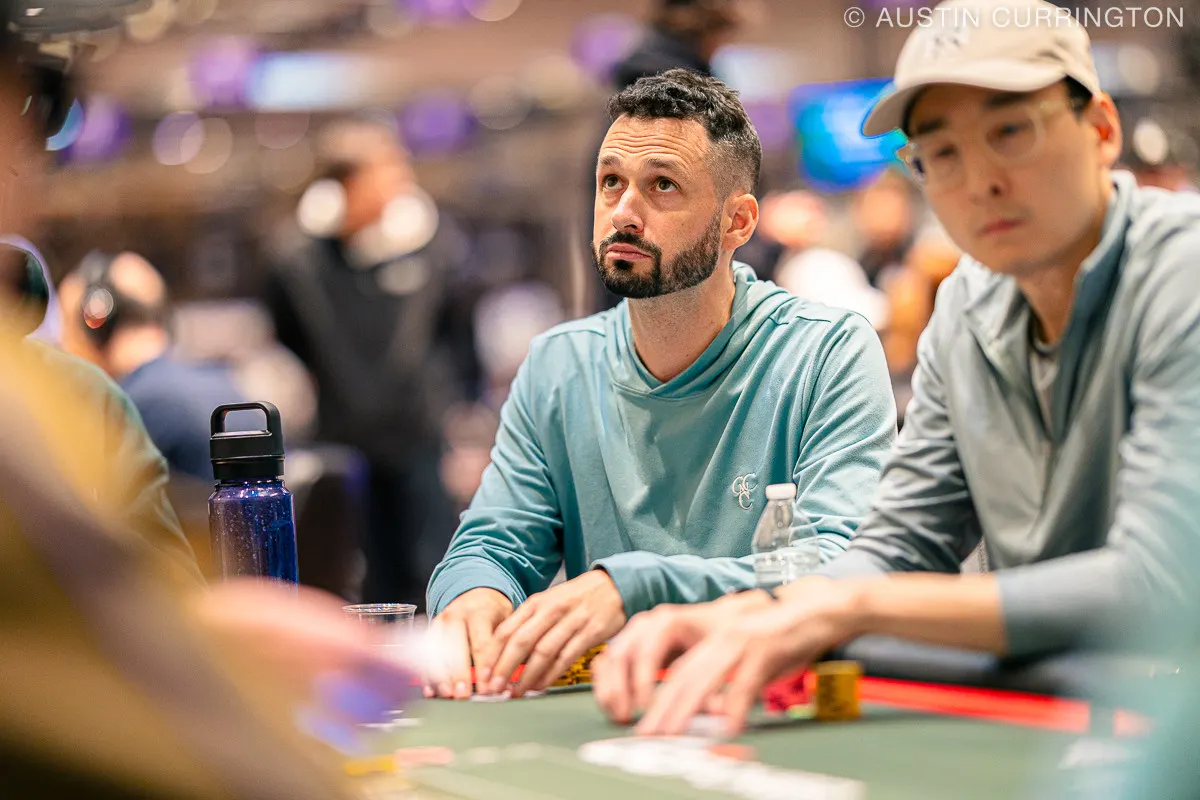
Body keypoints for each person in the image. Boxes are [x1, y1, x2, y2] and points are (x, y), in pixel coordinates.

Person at [593, 0, 1200, 737]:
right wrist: (753, 611)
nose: (978, 181)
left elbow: (1161, 580)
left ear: (1101, 128)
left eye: (1011, 131)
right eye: (940, 153)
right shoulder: (967, 308)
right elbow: (901, 543)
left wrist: (845, 606)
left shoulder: (1184, 275)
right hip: (1062, 720)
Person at [424, 69, 896, 700]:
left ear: (737, 223)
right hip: (615, 711)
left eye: (662, 186)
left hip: (772, 705)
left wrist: (635, 586)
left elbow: (841, 565)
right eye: (610, 182)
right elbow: (495, 541)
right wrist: (473, 593)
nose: (623, 212)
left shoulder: (825, 351)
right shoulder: (557, 365)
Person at [265, 119, 476, 612]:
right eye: (389, 170)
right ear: (346, 183)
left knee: (428, 570)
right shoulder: (296, 258)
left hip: (418, 436)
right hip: (344, 439)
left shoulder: (432, 242)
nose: (402, 181)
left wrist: (455, 405)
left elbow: (456, 330)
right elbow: (288, 334)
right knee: (360, 579)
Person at [58, 250, 248, 484]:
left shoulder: (130, 408)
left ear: (95, 322)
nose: (62, 345)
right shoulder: (225, 386)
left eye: (66, 326)